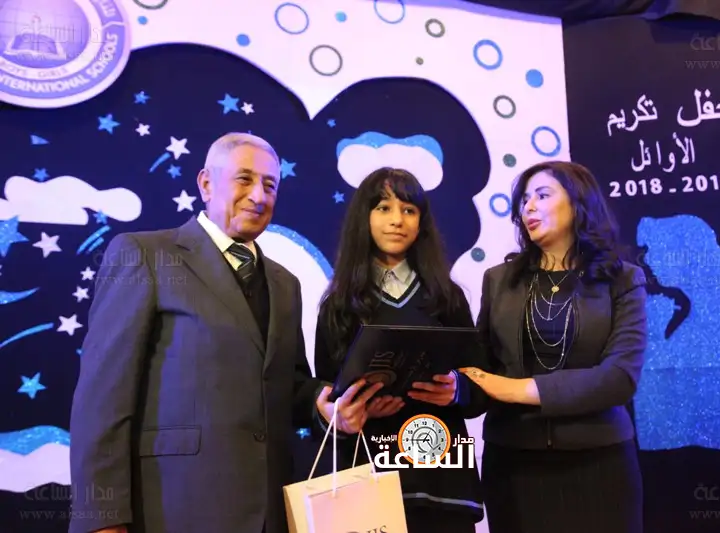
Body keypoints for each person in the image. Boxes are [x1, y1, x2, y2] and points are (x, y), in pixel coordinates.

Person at [68, 132, 380, 533]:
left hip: (269, 511)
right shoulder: (144, 255)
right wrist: (101, 519)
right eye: (244, 179)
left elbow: (288, 384)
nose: (259, 196)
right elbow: (102, 398)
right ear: (206, 183)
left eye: (270, 185)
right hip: (171, 510)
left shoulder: (285, 284)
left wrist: (324, 406)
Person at [460, 161, 647, 533]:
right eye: (524, 200)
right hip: (514, 465)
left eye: (542, 195)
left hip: (600, 461)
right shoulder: (499, 280)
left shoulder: (622, 278)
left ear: (578, 203)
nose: (528, 207)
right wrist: (455, 389)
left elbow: (619, 378)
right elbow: (482, 374)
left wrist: (517, 389)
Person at [313, 168, 485, 533]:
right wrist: (351, 409)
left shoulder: (447, 297)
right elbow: (327, 393)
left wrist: (457, 389)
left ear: (422, 222)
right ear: (364, 218)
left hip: (442, 476)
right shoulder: (339, 305)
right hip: (370, 477)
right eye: (384, 208)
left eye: (409, 210)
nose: (397, 220)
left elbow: (480, 379)